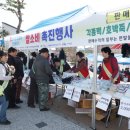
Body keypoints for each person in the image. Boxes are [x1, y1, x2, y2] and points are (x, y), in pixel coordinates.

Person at [0, 51, 14, 125]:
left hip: (4, 87)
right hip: (2, 88)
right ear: (0, 57)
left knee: (3, 103)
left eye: (7, 56)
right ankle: (2, 119)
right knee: (5, 103)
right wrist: (10, 77)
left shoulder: (5, 64)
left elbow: (10, 70)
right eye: (4, 56)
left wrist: (11, 69)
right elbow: (1, 77)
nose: (6, 57)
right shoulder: (1, 65)